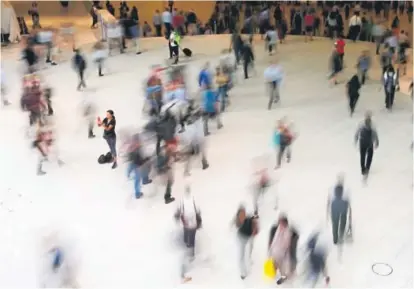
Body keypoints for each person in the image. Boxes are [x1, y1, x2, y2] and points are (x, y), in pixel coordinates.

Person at [174, 186, 202, 283]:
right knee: (192, 237)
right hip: (193, 222)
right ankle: (191, 252)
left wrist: (177, 217)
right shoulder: (194, 199)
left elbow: (178, 210)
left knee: (186, 231)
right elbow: (198, 210)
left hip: (186, 222)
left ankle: (186, 241)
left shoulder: (182, 200)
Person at [234, 206, 259, 280]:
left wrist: (254, 227)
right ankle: (243, 273)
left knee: (248, 252)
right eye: (241, 214)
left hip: (248, 237)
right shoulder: (238, 221)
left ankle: (249, 262)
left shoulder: (249, 218)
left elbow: (255, 221)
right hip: (241, 238)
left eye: (243, 213)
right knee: (241, 256)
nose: (243, 215)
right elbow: (237, 225)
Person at [327, 174, 352, 245]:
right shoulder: (346, 189)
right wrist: (349, 210)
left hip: (334, 208)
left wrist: (328, 209)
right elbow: (348, 200)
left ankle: (335, 238)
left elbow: (329, 200)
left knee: (335, 223)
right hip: (343, 207)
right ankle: (341, 235)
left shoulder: (331, 188)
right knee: (343, 222)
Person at [354, 112, 379, 179]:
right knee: (369, 156)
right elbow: (375, 134)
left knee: (362, 156)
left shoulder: (361, 124)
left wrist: (356, 140)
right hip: (369, 142)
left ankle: (363, 169)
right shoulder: (372, 125)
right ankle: (367, 168)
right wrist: (376, 141)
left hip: (362, 142)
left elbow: (357, 133)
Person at [268, 215, 292, 285]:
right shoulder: (279, 228)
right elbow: (275, 239)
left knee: (282, 267)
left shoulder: (287, 232)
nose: (280, 224)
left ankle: (283, 277)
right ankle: (274, 272)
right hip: (275, 251)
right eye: (279, 222)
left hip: (281, 253)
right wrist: (271, 248)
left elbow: (286, 244)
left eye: (281, 222)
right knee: (274, 263)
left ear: (285, 223)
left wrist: (282, 252)